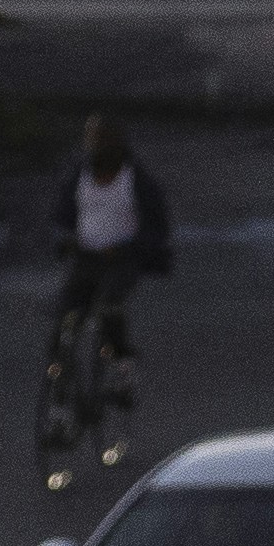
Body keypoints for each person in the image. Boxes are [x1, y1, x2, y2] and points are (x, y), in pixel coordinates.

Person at [57, 115, 170, 362]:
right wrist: (66, 239)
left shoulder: (136, 180)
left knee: (109, 306)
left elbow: (157, 226)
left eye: (103, 138)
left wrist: (132, 248)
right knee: (66, 313)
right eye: (92, 138)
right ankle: (60, 369)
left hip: (123, 258)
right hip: (86, 256)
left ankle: (119, 364)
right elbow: (62, 216)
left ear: (118, 141)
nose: (97, 145)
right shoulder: (80, 176)